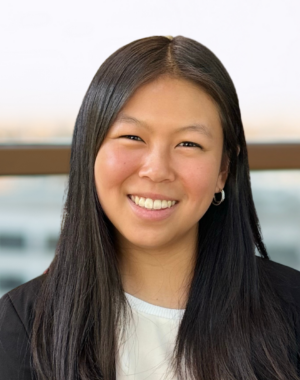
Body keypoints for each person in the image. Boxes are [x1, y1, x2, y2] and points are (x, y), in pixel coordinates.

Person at [0, 35, 299, 380]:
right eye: (133, 137)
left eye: (189, 143)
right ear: (90, 150)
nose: (156, 170)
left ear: (223, 171)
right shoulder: (23, 327)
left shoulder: (291, 310)